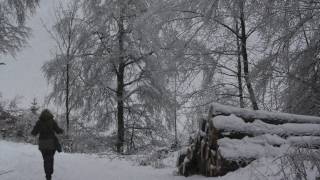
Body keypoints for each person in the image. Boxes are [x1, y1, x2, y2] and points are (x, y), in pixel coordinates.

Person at [31, 109, 63, 180]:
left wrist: (35, 131)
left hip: (43, 144)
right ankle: (50, 173)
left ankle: (47, 175)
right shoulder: (52, 121)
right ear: (49, 114)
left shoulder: (39, 122)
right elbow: (58, 131)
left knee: (46, 160)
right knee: (50, 159)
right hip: (51, 143)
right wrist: (61, 130)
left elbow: (34, 133)